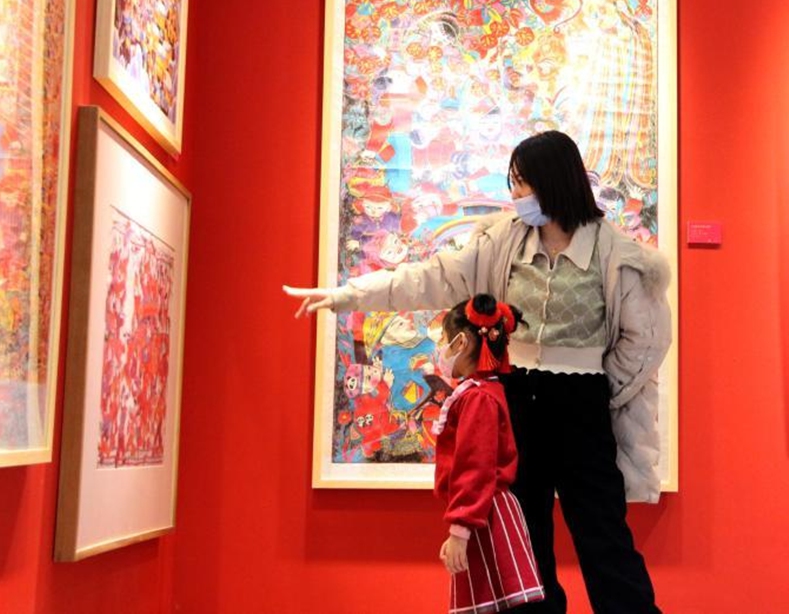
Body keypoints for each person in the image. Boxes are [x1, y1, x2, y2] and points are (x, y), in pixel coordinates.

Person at [286, 130, 671, 613]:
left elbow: (647, 339)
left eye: (523, 183)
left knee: (604, 536)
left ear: (554, 182)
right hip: (517, 400)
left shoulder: (616, 255)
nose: (515, 195)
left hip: (583, 405)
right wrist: (347, 296)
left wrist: (600, 388)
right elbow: (431, 277)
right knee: (523, 537)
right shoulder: (501, 241)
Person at [432, 293, 544, 612]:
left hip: (485, 513)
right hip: (483, 510)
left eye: (443, 339)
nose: (440, 347)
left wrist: (460, 528)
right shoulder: (479, 392)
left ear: (462, 343)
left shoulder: (478, 398)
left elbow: (475, 466)